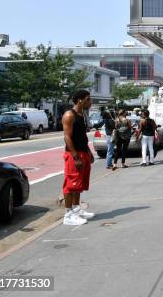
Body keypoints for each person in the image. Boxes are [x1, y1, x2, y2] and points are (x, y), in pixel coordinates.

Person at [61, 90, 95, 226]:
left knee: (79, 184)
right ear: (80, 100)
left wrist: (89, 152)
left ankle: (76, 209)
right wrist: (75, 157)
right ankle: (68, 214)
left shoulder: (82, 114)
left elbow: (82, 137)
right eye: (88, 99)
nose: (90, 102)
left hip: (83, 152)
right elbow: (67, 137)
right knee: (71, 184)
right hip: (73, 154)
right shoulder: (70, 115)